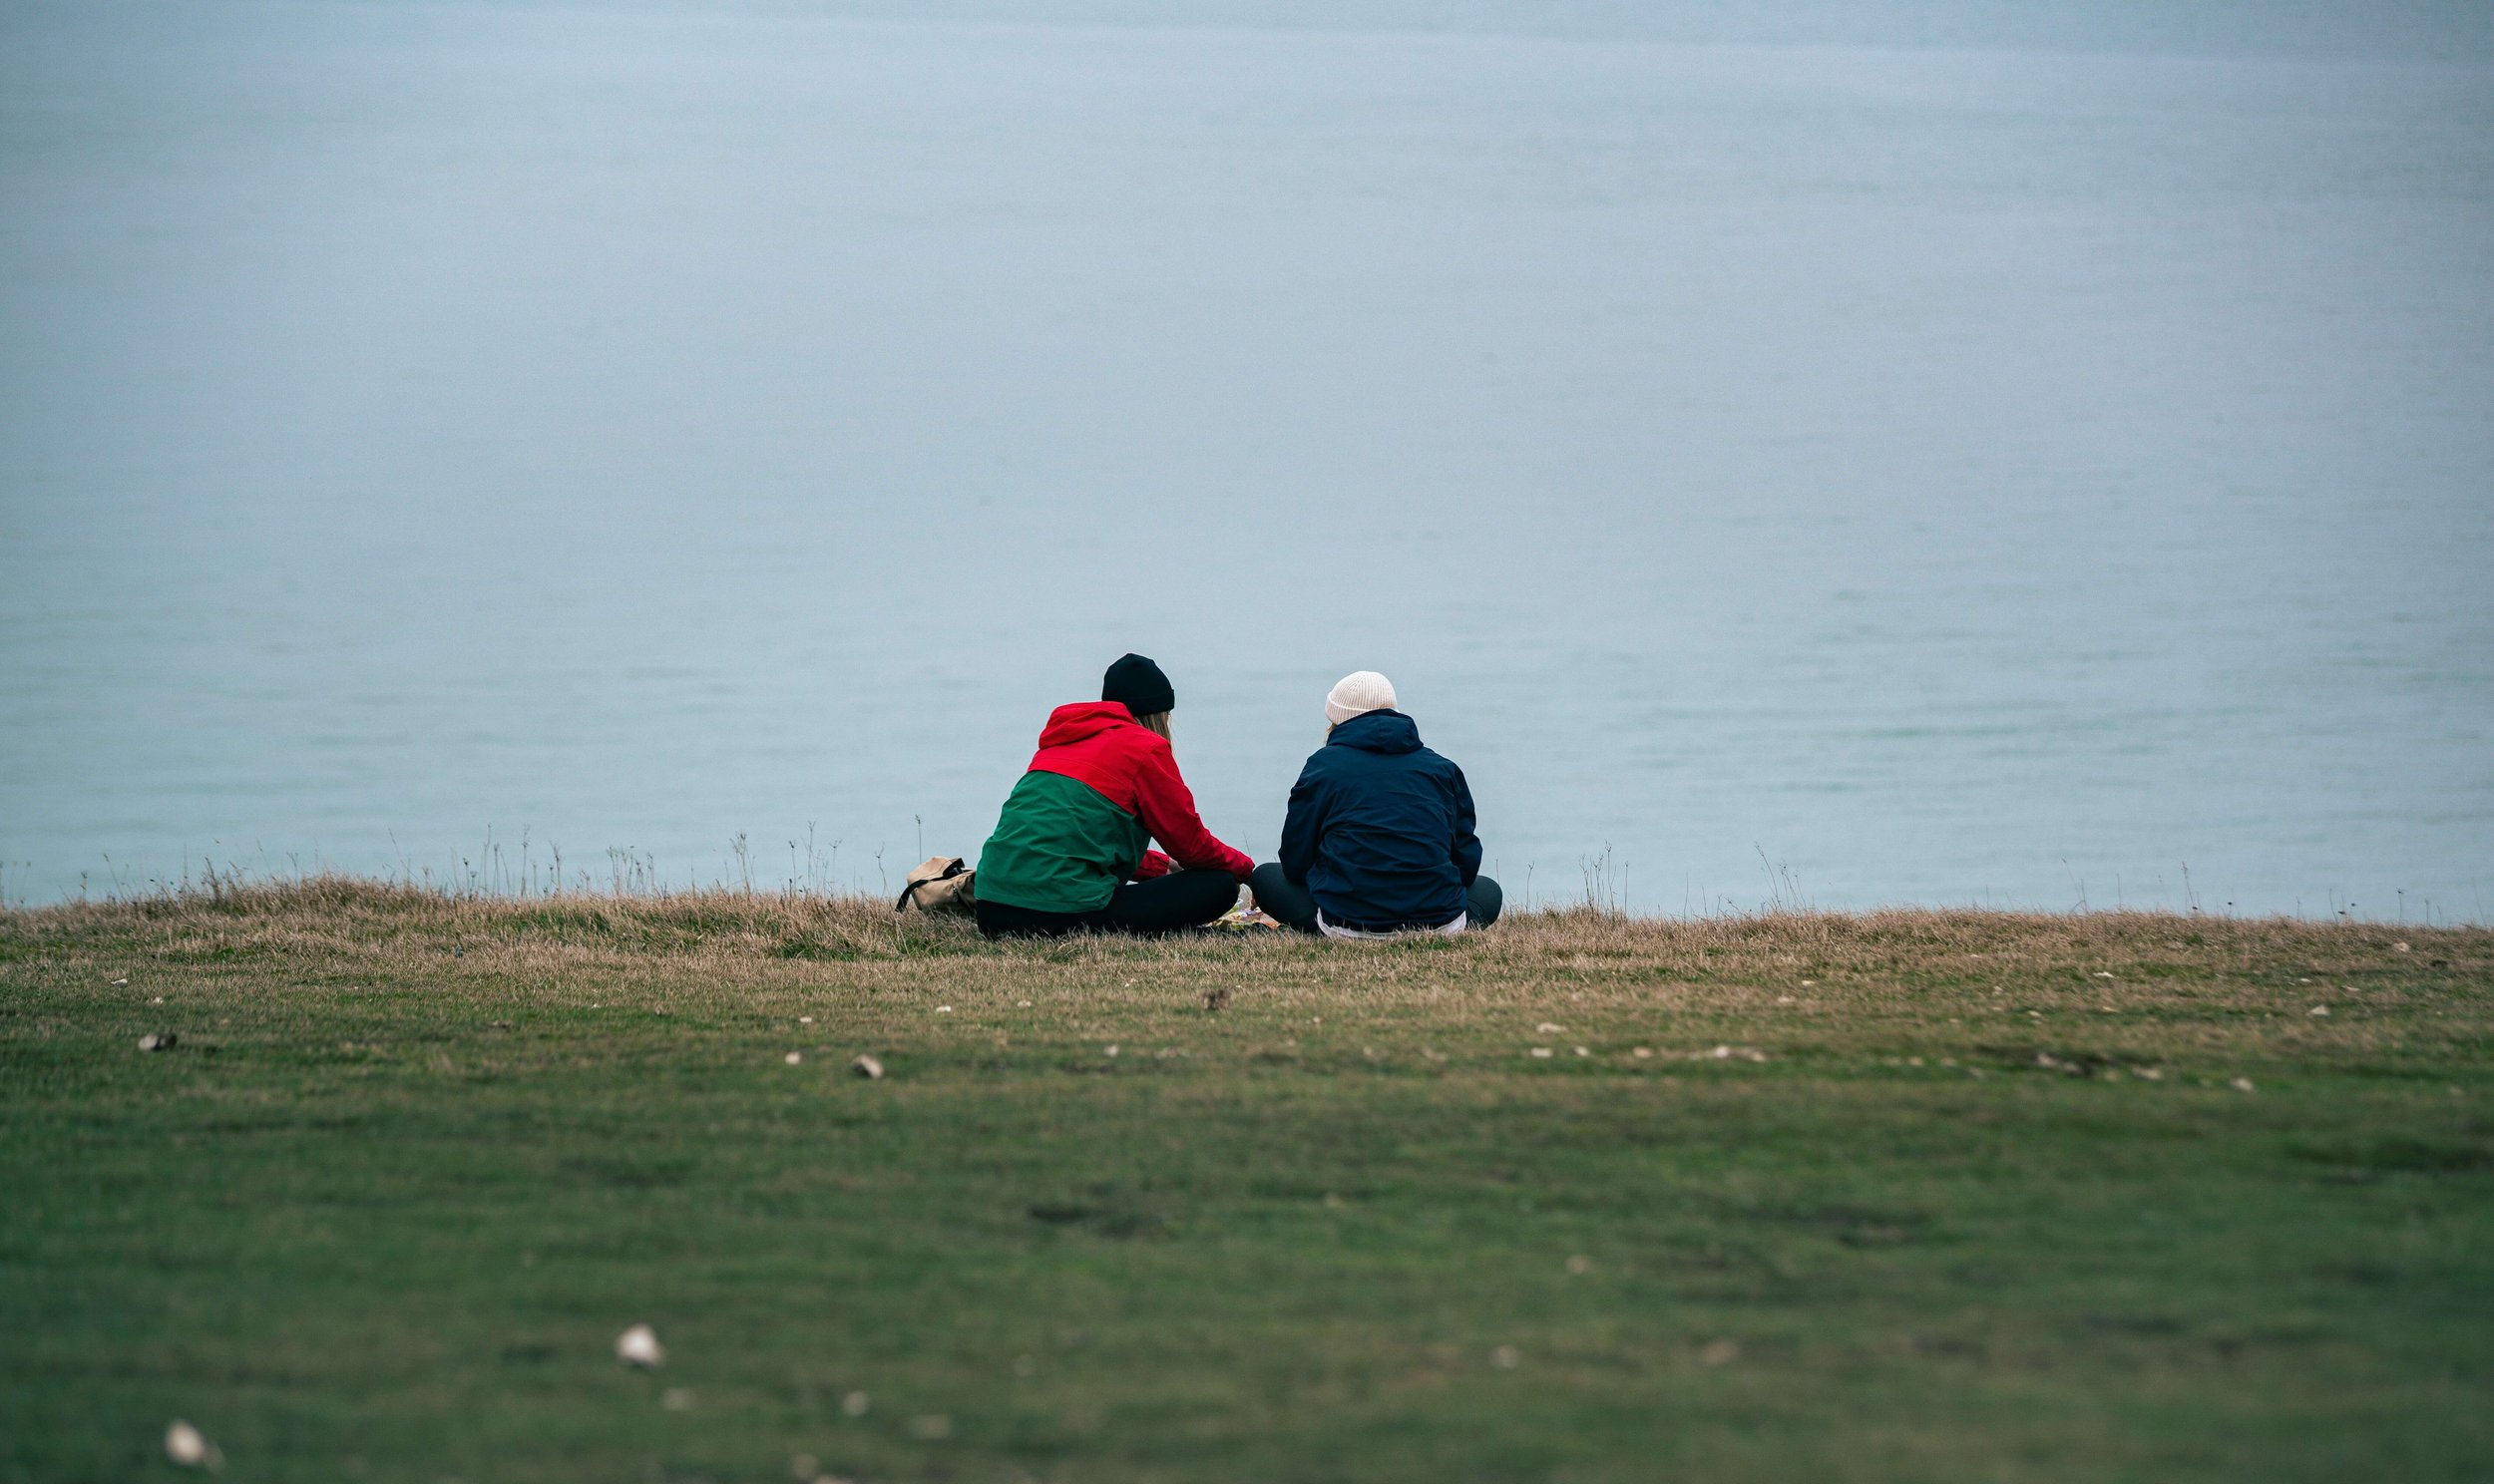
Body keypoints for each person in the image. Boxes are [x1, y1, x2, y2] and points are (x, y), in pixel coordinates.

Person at [973, 653, 1255, 939]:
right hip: (1053, 915)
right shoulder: (1145, 748)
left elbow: (1080, 838)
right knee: (1218, 886)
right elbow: (1190, 846)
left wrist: (1162, 866)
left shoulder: (1058, 745)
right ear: (1159, 715)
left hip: (990, 911)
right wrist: (1246, 869)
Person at [1250, 671, 1501, 938]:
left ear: (1337, 720)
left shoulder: (1322, 767)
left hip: (1347, 925)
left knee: (1265, 876)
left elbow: (1295, 863)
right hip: (1439, 924)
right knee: (1488, 891)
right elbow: (1467, 864)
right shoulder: (1442, 769)